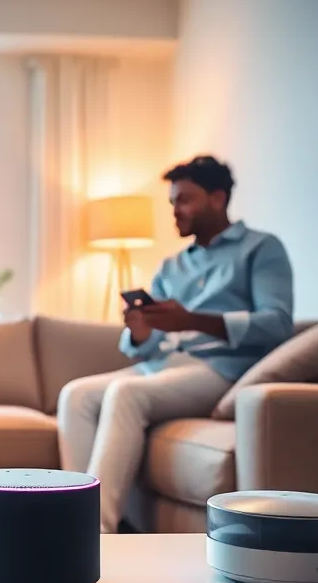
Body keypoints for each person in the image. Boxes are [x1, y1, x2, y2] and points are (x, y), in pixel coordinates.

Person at [57, 155, 294, 533]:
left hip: (220, 369)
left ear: (217, 198)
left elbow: (278, 323)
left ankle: (89, 533)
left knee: (125, 394)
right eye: (172, 203)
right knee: (76, 394)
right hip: (164, 366)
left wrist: (194, 320)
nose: (175, 211)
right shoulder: (172, 266)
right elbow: (150, 345)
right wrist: (140, 330)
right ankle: (69, 513)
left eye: (184, 200)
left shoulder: (261, 249)